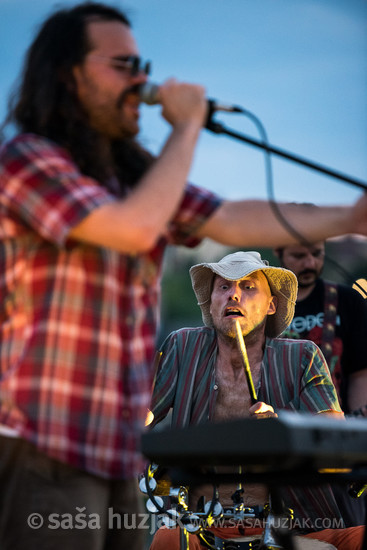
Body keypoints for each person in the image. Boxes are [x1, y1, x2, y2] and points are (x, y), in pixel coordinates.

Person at [0, 2, 366, 549]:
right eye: (122, 65)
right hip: (43, 446)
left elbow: (228, 215)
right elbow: (129, 228)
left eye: (142, 63)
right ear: (67, 74)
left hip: (115, 456)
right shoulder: (29, 159)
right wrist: (189, 126)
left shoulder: (135, 182)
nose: (142, 79)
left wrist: (351, 215)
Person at [148, 251, 364, 550]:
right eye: (223, 287)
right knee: (167, 538)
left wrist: (283, 430)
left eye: (248, 287)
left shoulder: (303, 356)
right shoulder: (182, 345)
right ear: (211, 303)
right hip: (202, 529)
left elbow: (334, 442)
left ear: (272, 305)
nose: (234, 295)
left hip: (295, 528)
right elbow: (140, 415)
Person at [274, 241, 367, 527]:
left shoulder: (347, 301)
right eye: (299, 256)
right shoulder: (264, 303)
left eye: (317, 254)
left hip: (335, 442)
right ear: (279, 254)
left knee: (346, 528)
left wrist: (357, 428)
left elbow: (360, 374)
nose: (310, 263)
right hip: (277, 442)